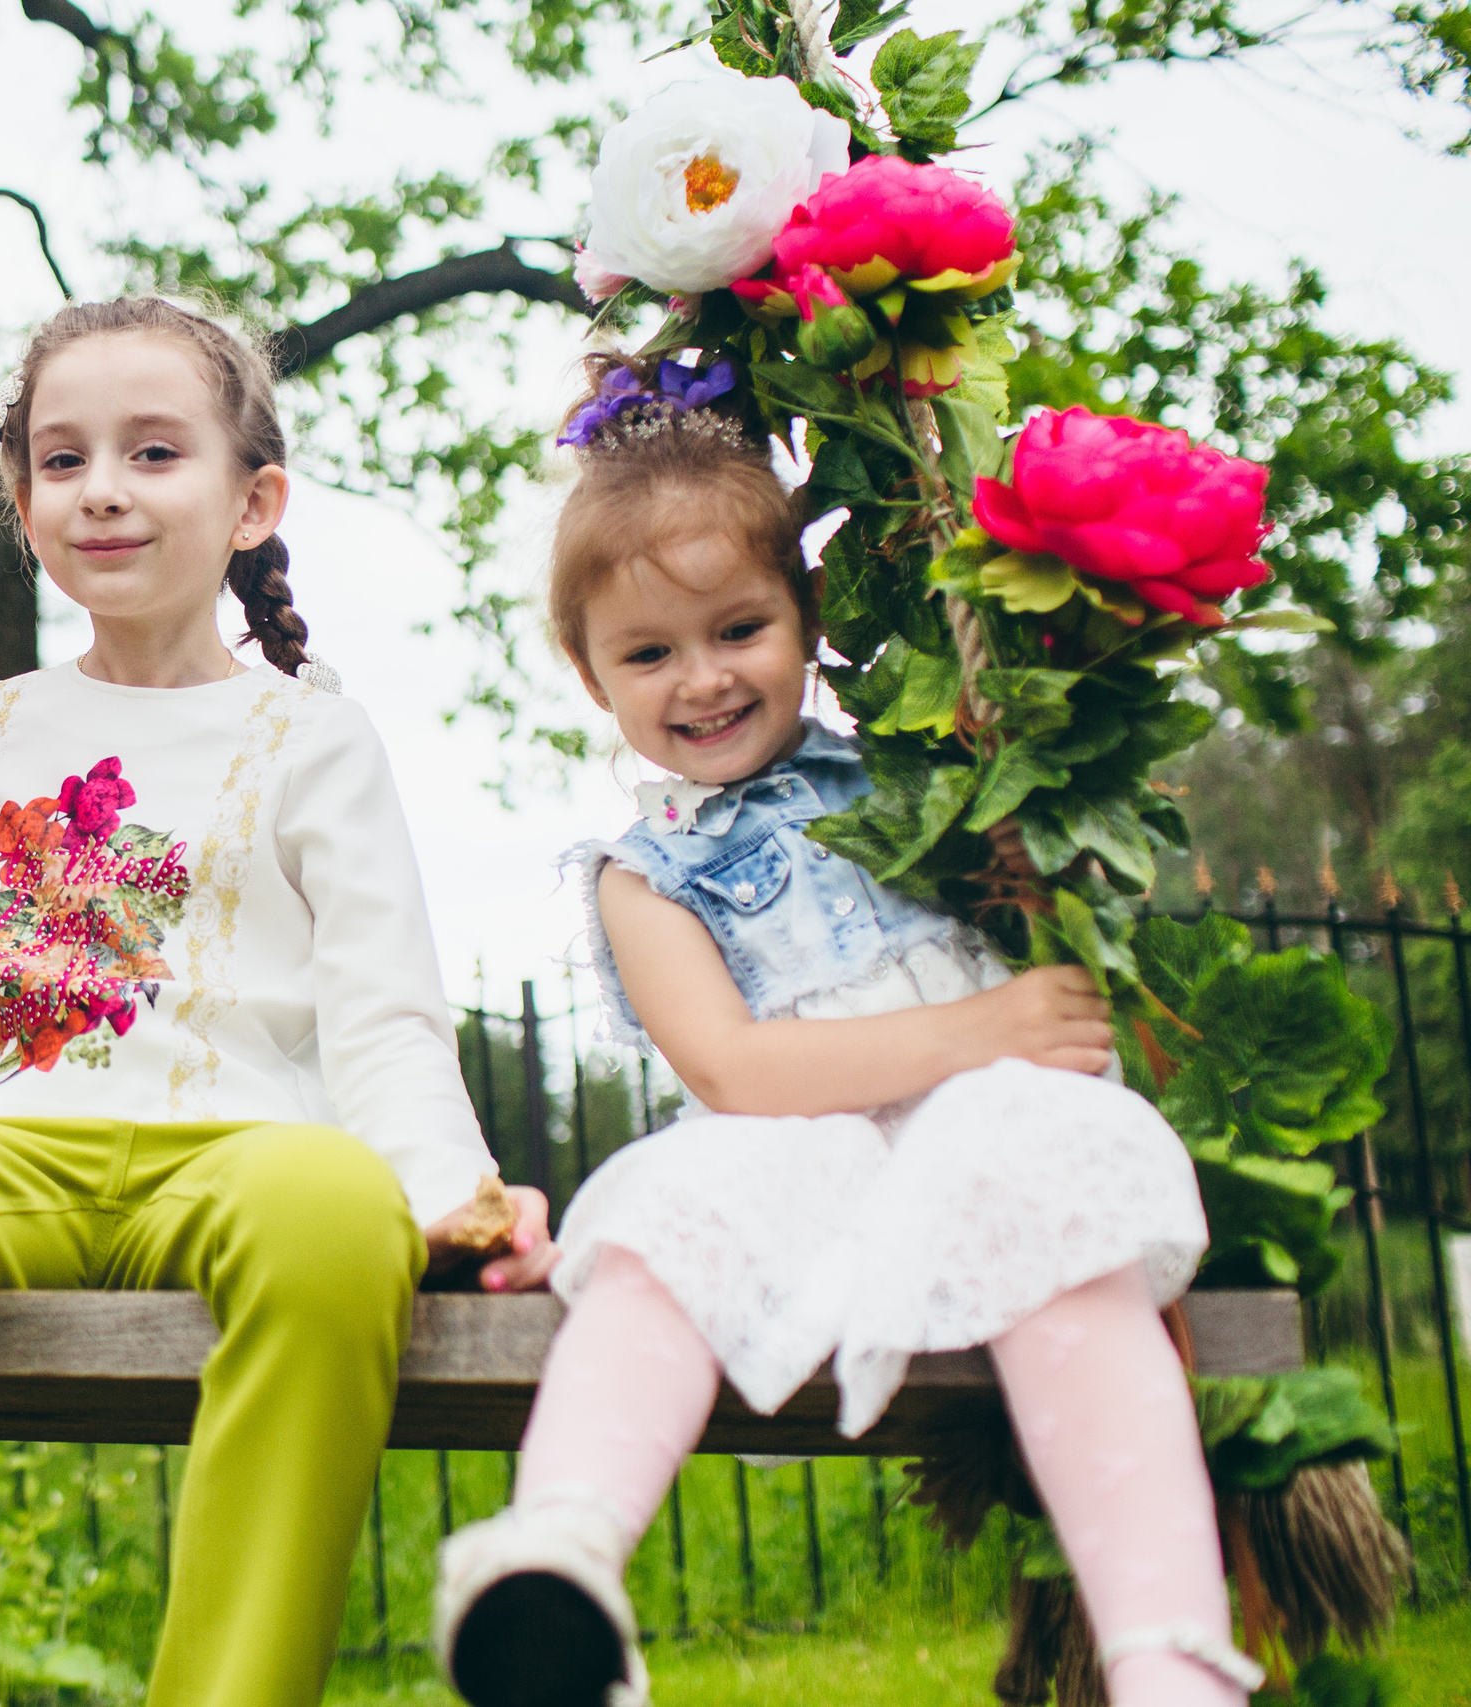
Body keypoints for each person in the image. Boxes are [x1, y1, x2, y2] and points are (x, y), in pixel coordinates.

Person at [0, 296, 553, 1707]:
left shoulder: (310, 736)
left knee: (333, 1210)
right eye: (62, 456)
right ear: (23, 499)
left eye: (155, 453)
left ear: (252, 498)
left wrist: (454, 1192)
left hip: (239, 1150)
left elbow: (384, 1015)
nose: (102, 488)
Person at [432, 358, 1254, 1707]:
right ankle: (560, 1554)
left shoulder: (927, 755)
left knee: (1061, 1194)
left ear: (807, 614)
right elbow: (735, 1071)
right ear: (589, 673)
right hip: (795, 1150)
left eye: (738, 627)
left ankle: (1166, 1654)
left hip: (986, 1134)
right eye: (648, 652)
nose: (701, 678)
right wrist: (982, 1021)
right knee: (661, 1212)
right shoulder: (645, 875)